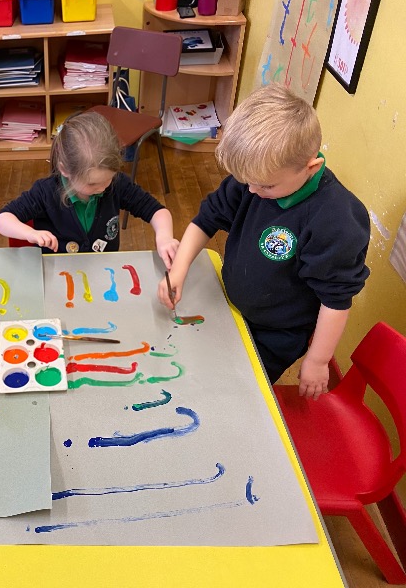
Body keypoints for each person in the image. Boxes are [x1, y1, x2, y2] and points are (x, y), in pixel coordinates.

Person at [157, 83, 370, 399]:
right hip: (232, 308)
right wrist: (179, 270)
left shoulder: (337, 220)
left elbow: (335, 299)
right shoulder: (256, 180)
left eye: (265, 186)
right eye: (247, 182)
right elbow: (208, 218)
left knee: (236, 394)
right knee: (198, 373)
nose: (252, 192)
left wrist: (318, 360)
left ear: (310, 167)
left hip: (276, 335)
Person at [0, 111, 179, 266]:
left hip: (103, 271)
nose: (103, 187)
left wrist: (164, 237)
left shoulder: (116, 184)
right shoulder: (46, 191)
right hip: (57, 275)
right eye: (92, 184)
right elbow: (2, 219)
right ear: (65, 170)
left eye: (108, 179)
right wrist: (31, 234)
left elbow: (157, 211)